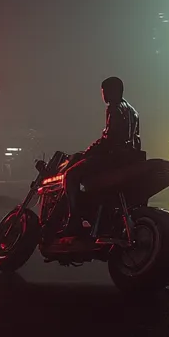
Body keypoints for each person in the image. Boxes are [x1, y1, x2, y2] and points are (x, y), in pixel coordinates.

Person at [60, 76, 141, 236]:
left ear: (111, 91)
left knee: (70, 175)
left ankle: (74, 218)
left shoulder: (114, 108)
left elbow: (109, 139)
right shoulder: (133, 111)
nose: (103, 95)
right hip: (127, 158)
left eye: (104, 91)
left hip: (113, 158)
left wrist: (89, 151)